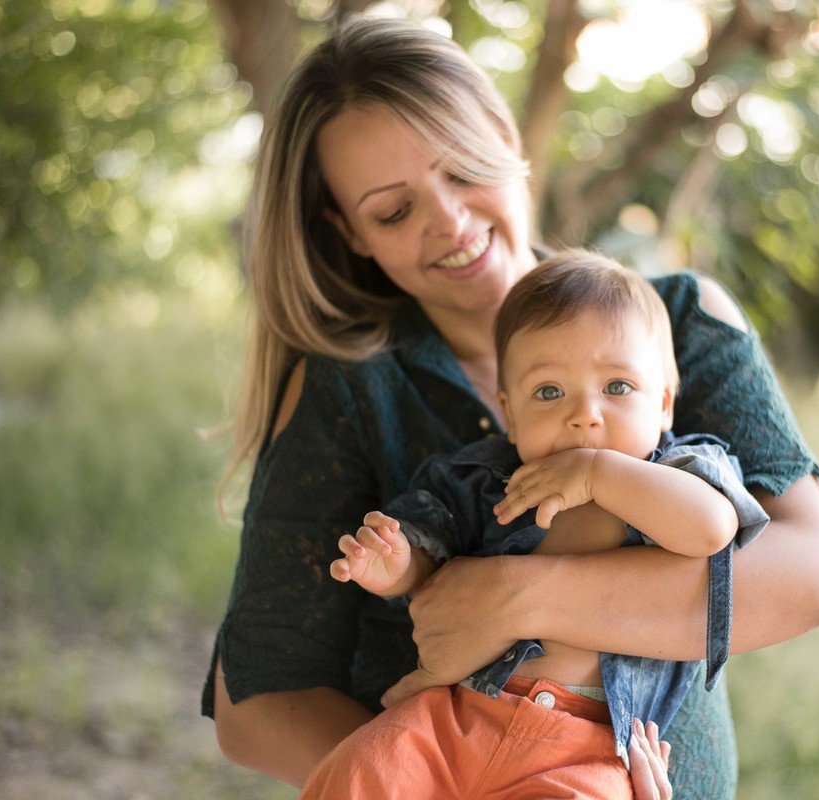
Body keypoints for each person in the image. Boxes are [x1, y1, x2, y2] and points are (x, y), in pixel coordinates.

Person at [203, 15, 819, 800]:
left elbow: (815, 578)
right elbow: (255, 703)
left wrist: (515, 596)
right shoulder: (351, 385)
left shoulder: (676, 320)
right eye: (392, 211)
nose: (446, 221)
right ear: (350, 235)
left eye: (461, 168)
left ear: (506, 138)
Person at [305, 252, 771, 799]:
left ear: (665, 402)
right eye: (549, 392)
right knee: (359, 771)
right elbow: (432, 541)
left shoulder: (679, 471)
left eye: (617, 387)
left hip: (589, 748)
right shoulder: (487, 479)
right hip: (459, 716)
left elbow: (712, 529)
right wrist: (398, 563)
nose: (584, 414)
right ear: (509, 412)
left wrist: (599, 474)